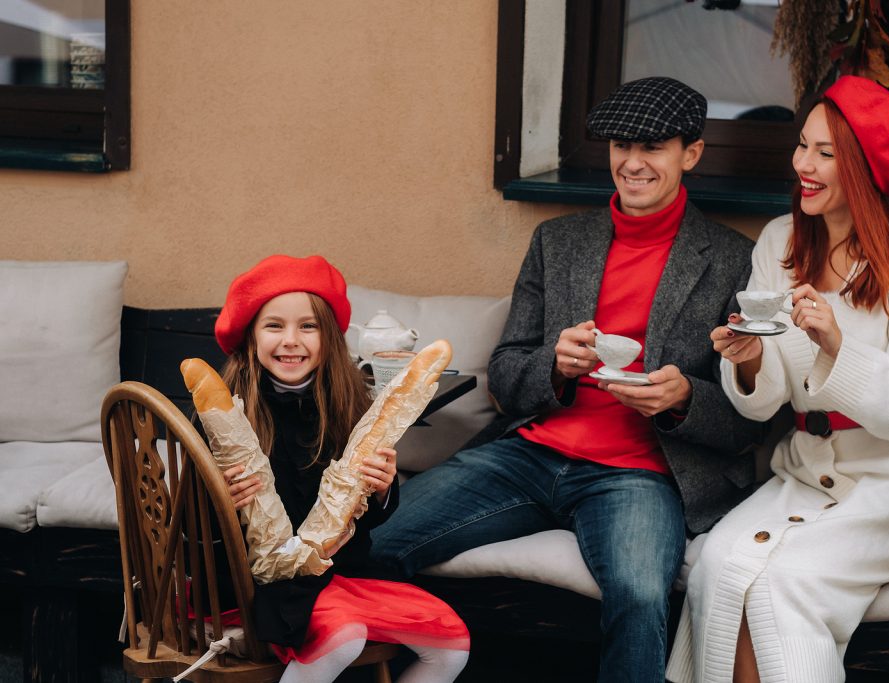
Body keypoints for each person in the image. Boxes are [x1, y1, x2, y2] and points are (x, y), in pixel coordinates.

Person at [370, 77, 762, 682]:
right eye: (619, 146)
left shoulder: (734, 257)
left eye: (652, 147)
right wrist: (552, 366)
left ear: (692, 153)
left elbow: (749, 417)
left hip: (641, 473)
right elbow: (505, 372)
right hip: (529, 453)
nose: (631, 163)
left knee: (638, 596)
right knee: (374, 541)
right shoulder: (558, 242)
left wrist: (684, 398)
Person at [666, 76, 889, 683]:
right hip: (803, 471)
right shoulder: (780, 242)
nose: (802, 165)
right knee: (718, 570)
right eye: (802, 145)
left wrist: (836, 343)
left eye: (825, 153)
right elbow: (763, 403)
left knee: (783, 584)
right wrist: (747, 360)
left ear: (861, 166)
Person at [208, 254, 469, 683]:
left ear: (329, 337)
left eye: (307, 326)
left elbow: (362, 523)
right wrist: (217, 501)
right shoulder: (225, 415)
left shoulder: (352, 406)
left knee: (451, 644)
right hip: (244, 585)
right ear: (250, 336)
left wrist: (382, 490)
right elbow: (192, 529)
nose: (291, 340)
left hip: (332, 578)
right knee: (342, 637)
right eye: (274, 325)